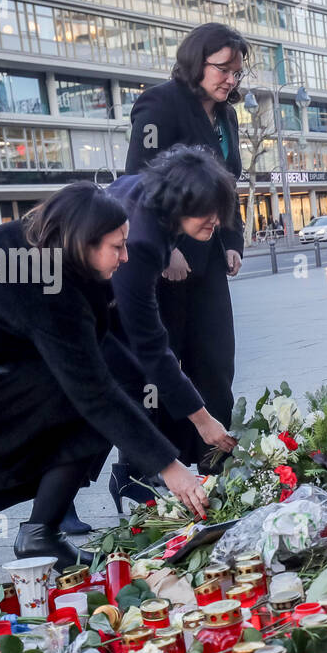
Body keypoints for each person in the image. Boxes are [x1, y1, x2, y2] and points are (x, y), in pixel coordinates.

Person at [0, 182, 210, 577]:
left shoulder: (50, 251)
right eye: (116, 246)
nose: (125, 257)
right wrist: (169, 465)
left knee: (58, 451)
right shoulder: (46, 285)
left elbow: (108, 352)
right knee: (79, 424)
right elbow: (95, 391)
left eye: (127, 244)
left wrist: (179, 407)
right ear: (82, 241)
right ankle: (39, 533)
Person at [125, 22, 246, 484]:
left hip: (210, 256)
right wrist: (167, 248)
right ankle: (149, 466)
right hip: (164, 261)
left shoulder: (227, 117)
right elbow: (138, 178)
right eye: (222, 69)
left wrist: (231, 241)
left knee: (215, 358)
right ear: (196, 61)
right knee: (165, 362)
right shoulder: (160, 103)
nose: (230, 80)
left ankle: (212, 458)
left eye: (236, 72)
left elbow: (226, 186)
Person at [103, 145, 239, 512]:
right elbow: (150, 344)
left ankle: (130, 473)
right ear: (180, 202)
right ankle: (45, 521)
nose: (216, 221)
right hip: (56, 307)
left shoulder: (149, 197)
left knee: (128, 387)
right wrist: (204, 421)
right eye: (207, 212)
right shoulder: (142, 241)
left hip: (96, 308)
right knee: (104, 397)